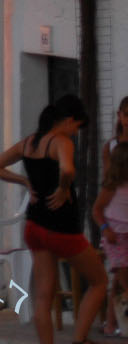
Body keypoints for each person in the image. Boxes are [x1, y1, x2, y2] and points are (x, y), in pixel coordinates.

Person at [0, 95, 107, 344]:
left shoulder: (29, 142)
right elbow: (68, 169)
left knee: (42, 297)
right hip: (62, 228)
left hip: (35, 225)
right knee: (99, 281)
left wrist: (24, 181)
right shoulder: (61, 142)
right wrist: (63, 188)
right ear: (69, 120)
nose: (75, 133)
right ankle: (80, 339)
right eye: (76, 127)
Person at [94, 142, 128, 337]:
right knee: (122, 269)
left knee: (121, 275)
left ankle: (114, 323)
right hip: (115, 235)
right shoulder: (112, 187)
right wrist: (105, 228)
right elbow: (97, 210)